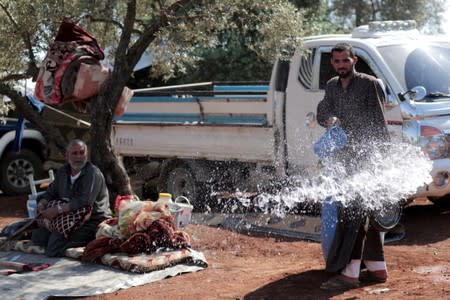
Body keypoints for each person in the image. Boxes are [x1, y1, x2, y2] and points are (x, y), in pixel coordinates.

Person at [316, 43, 390, 290]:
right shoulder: (331, 86)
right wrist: (329, 119)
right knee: (361, 215)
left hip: (366, 161)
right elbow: (323, 111)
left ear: (354, 60)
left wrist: (380, 163)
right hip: (343, 161)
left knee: (354, 217)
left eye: (345, 61)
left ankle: (349, 275)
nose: (341, 66)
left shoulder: (370, 84)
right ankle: (378, 270)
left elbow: (380, 126)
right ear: (332, 63)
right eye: (337, 62)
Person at [31, 139, 112, 257]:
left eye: (82, 153)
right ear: (67, 155)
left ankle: (88, 241)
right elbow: (50, 193)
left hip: (92, 220)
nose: (79, 157)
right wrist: (42, 204)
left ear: (86, 154)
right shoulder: (63, 172)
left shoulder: (93, 173)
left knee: (54, 245)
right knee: (38, 236)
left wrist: (57, 210)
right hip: (68, 219)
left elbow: (85, 201)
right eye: (75, 153)